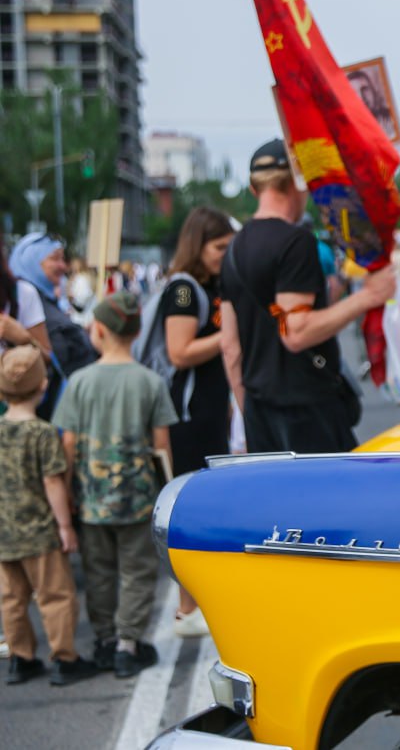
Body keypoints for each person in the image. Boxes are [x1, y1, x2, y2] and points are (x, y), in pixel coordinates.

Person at [219, 138, 395, 453]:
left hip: (259, 410)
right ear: (299, 182)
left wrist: (250, 416)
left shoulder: (232, 249)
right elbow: (296, 332)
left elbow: (230, 347)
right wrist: (368, 296)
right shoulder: (296, 242)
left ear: (253, 188)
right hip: (307, 410)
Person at [52, 293, 177, 678]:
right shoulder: (151, 381)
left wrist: (68, 492)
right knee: (138, 571)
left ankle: (105, 640)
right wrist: (166, 492)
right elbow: (161, 446)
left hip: (91, 500)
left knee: (99, 572)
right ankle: (128, 644)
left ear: (100, 331)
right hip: (138, 499)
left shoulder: (78, 382)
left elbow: (68, 444)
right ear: (136, 332)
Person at [157, 206, 237, 637]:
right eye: (218, 247)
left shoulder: (209, 285)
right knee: (188, 508)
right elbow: (179, 352)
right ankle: (187, 609)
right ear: (198, 245)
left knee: (207, 504)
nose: (225, 254)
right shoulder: (184, 290)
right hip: (186, 415)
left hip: (208, 410)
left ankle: (196, 603)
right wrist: (229, 336)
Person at [0, 345, 99, 686]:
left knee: (12, 598)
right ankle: (64, 659)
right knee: (55, 595)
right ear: (43, 386)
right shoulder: (41, 432)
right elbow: (53, 482)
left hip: (4, 534)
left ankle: (21, 658)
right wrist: (65, 526)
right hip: (40, 533)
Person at [9, 233, 98, 420]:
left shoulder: (48, 301)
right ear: (31, 261)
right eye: (54, 259)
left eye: (63, 259)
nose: (63, 266)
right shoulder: (27, 299)